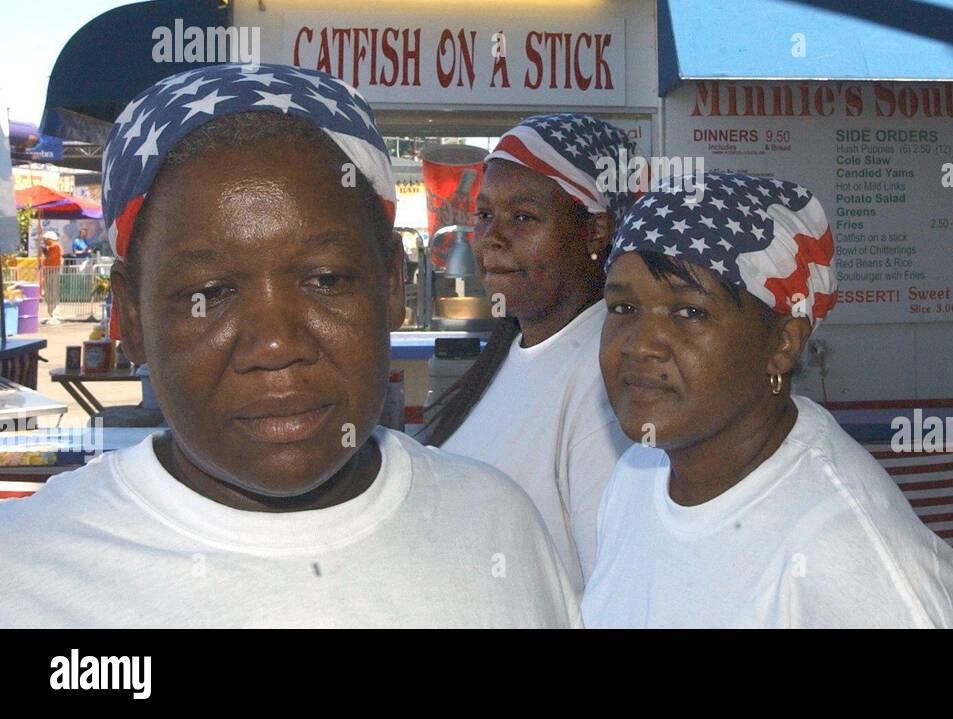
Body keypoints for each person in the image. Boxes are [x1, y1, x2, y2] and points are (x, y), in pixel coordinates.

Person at [0, 64, 580, 628]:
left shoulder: (498, 530)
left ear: (390, 287)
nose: (276, 344)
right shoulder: (26, 576)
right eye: (212, 292)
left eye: (326, 280)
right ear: (131, 317)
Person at [581, 172, 953, 628]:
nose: (639, 345)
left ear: (783, 344)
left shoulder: (848, 554)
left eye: (689, 312)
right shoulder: (635, 480)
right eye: (623, 308)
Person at [418, 114, 636, 592]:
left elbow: (614, 592)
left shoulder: (606, 381)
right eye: (484, 214)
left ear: (594, 234)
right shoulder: (516, 349)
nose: (492, 237)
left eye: (523, 217)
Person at [38, 230, 62, 324]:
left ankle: (55, 315)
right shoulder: (50, 247)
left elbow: (50, 259)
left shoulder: (55, 247)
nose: (44, 240)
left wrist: (44, 255)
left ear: (50, 239)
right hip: (48, 271)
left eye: (45, 239)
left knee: (53, 293)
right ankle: (51, 314)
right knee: (49, 294)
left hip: (53, 271)